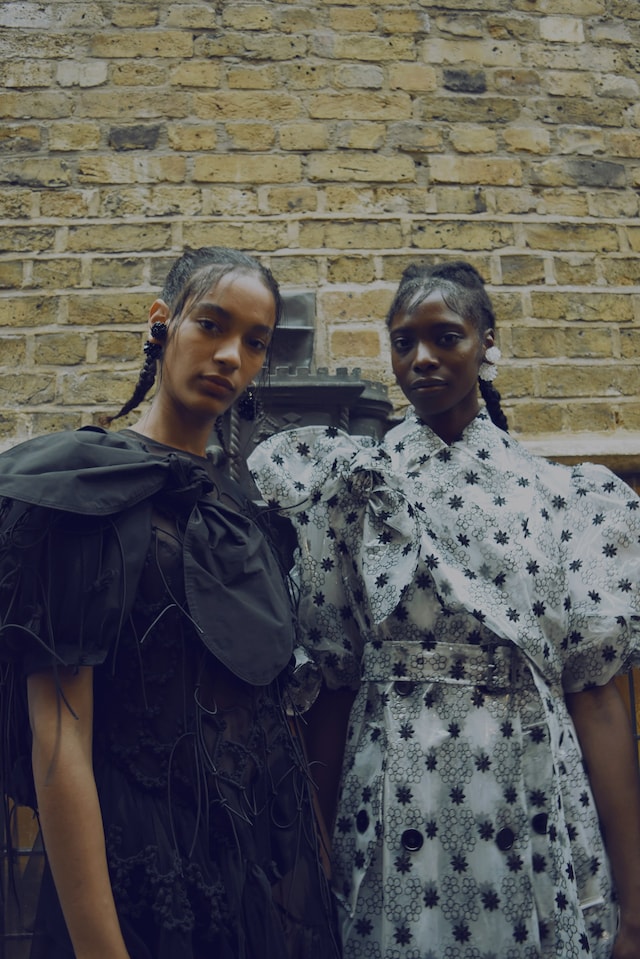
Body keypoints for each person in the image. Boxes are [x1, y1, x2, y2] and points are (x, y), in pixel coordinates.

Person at [248, 260, 640, 959]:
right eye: (403, 341)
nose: (421, 357)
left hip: (532, 802)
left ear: (489, 343)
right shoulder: (354, 490)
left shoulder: (562, 498)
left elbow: (600, 699)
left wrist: (635, 900)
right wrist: (315, 856)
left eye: (445, 336)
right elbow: (332, 688)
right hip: (394, 800)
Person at [0, 246, 339, 959]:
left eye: (254, 342)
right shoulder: (81, 491)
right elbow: (58, 739)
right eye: (211, 325)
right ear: (162, 323)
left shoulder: (249, 515)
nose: (229, 356)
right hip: (129, 871)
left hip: (250, 877)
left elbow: (268, 722)